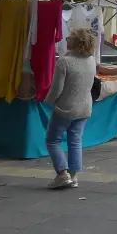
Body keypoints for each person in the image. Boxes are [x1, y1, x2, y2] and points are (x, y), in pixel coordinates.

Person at [44, 28, 97, 190]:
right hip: (85, 107)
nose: (65, 40)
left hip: (66, 108)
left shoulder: (64, 62)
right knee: (75, 141)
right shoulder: (91, 60)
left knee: (52, 140)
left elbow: (56, 88)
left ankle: (62, 174)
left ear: (76, 42)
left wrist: (48, 101)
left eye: (68, 38)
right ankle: (73, 177)